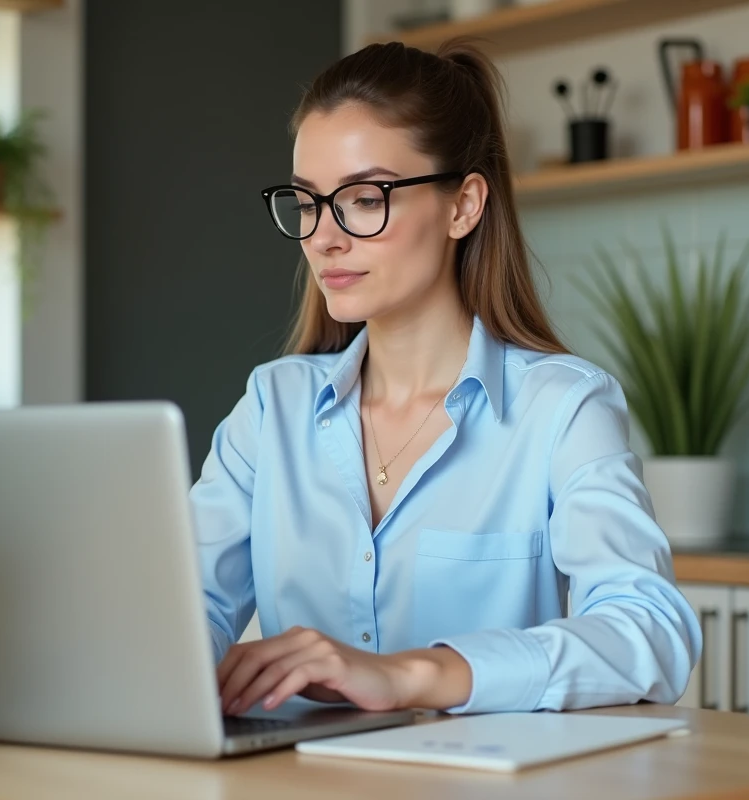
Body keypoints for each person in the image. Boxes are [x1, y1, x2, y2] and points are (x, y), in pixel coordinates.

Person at [191, 37, 701, 718]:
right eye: (308, 201)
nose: (324, 237)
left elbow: (652, 633)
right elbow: (184, 605)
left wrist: (413, 674)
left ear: (463, 206)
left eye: (365, 198)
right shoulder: (271, 406)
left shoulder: (563, 408)